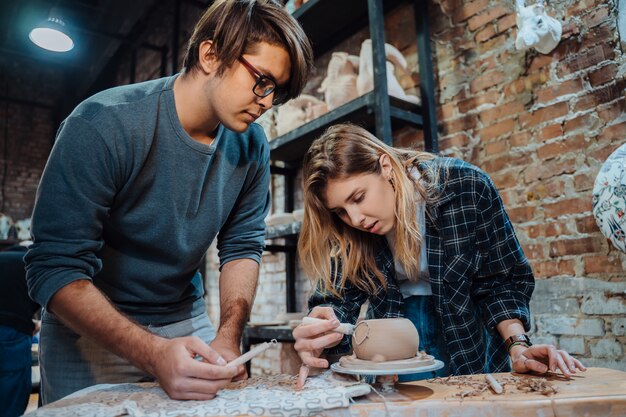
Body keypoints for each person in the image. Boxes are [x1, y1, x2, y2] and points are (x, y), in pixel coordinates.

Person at [25, 0, 313, 404]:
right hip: (89, 329)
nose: (267, 101)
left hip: (182, 318)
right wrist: (153, 353)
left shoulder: (252, 146)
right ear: (210, 55)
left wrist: (228, 338)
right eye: (263, 80)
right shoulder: (102, 124)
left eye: (277, 92)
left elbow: (243, 246)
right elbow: (54, 268)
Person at [292, 123, 585, 389]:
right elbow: (338, 299)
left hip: (466, 336)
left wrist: (518, 346)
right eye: (340, 211)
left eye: (358, 197)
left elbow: (501, 283)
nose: (355, 218)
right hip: (392, 350)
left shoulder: (467, 187)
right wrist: (322, 328)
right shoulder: (350, 229)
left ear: (385, 167)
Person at [0, 241, 40, 417]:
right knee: (11, 386)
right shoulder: (36, 264)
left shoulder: (4, 257)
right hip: (10, 331)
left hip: (11, 325)